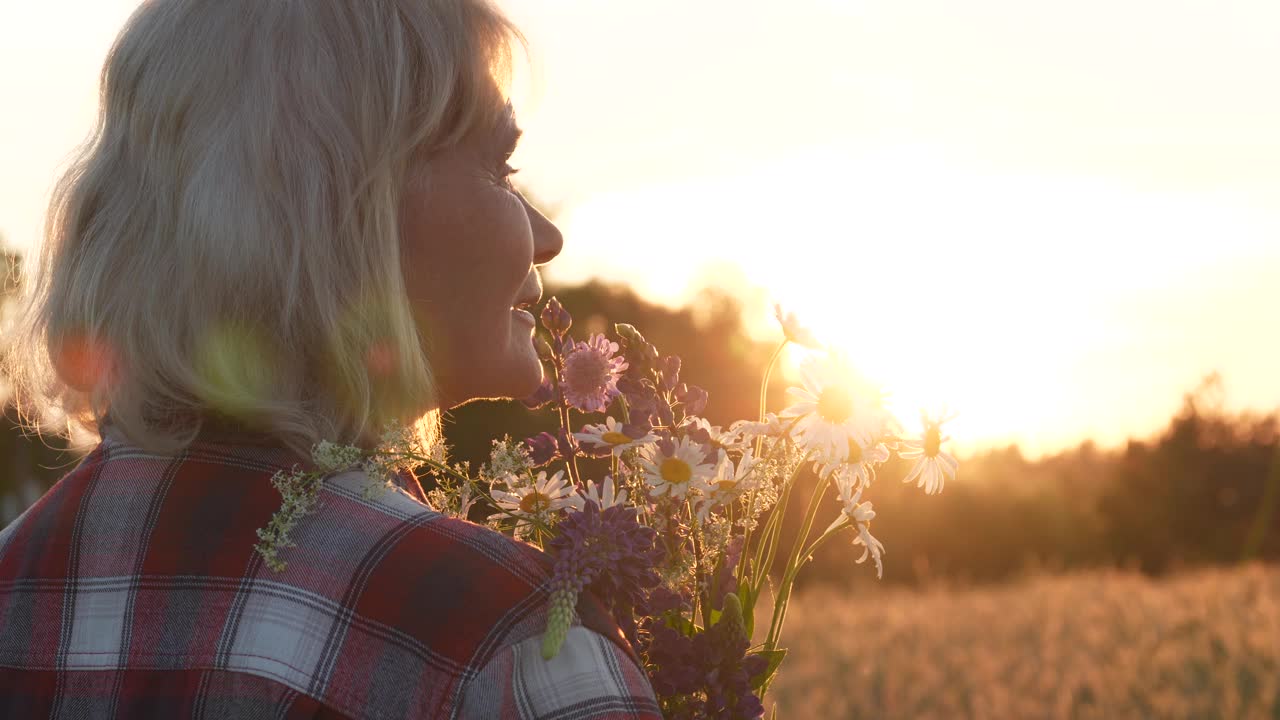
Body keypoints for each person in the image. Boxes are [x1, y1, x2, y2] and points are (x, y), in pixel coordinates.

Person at [0, 0, 661, 717]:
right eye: (500, 167)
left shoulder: (13, 580)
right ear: (345, 211)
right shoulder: (509, 646)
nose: (547, 235)